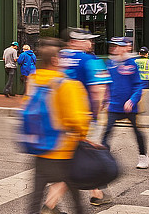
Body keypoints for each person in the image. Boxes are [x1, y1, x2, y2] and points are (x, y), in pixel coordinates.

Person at [25, 38, 91, 214]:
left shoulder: (33, 80)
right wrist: (83, 137)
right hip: (64, 152)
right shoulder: (67, 84)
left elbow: (27, 108)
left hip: (40, 149)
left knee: (35, 198)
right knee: (76, 200)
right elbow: (77, 119)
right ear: (55, 60)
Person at [54, 27, 111, 208]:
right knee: (82, 158)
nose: (91, 43)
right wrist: (95, 117)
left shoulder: (58, 58)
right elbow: (97, 91)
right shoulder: (90, 60)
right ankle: (50, 204)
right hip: (83, 119)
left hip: (60, 119)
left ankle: (97, 193)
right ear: (76, 41)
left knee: (77, 157)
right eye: (88, 40)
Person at [101, 36, 149, 170]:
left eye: (117, 46)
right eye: (113, 46)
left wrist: (132, 100)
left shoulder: (131, 64)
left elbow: (138, 85)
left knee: (137, 132)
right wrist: (105, 99)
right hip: (114, 106)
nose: (114, 49)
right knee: (107, 132)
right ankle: (103, 159)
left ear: (124, 48)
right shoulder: (110, 64)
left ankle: (143, 155)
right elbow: (107, 84)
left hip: (130, 107)